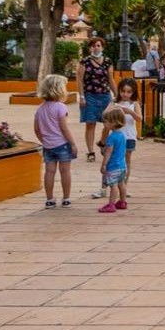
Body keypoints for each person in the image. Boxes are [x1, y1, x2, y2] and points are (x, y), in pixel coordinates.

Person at [34, 74, 76, 207]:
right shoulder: (60, 107)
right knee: (65, 171)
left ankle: (50, 199)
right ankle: (66, 198)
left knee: (49, 171)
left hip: (48, 145)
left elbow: (36, 129)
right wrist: (73, 143)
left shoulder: (40, 109)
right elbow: (64, 128)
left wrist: (44, 139)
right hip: (62, 144)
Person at [79, 39, 113, 161]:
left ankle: (102, 142)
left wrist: (117, 96)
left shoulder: (108, 61)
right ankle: (90, 152)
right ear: (90, 48)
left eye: (98, 46)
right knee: (90, 124)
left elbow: (111, 80)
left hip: (105, 95)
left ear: (102, 47)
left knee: (109, 123)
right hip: (90, 96)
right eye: (93, 46)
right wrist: (82, 97)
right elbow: (80, 80)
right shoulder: (84, 62)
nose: (96, 48)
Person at [96, 106, 132, 213]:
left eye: (106, 122)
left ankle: (111, 204)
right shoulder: (122, 135)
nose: (104, 124)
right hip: (122, 165)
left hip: (113, 166)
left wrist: (103, 164)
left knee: (113, 186)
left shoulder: (111, 137)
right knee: (122, 184)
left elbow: (108, 152)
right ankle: (122, 202)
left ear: (114, 122)